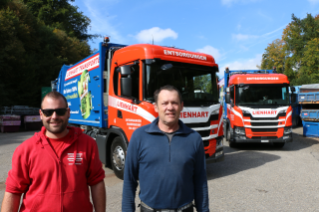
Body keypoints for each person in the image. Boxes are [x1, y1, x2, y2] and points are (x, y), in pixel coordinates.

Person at [1, 91, 106, 212]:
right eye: (48, 112)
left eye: (60, 111)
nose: (54, 116)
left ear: (68, 113)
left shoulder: (88, 144)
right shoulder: (25, 150)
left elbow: (96, 182)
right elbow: (13, 192)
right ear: (41, 114)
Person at [122, 85, 209, 212]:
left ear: (181, 106)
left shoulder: (194, 139)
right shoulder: (139, 137)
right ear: (156, 107)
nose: (170, 107)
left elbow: (200, 182)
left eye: (174, 103)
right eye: (164, 103)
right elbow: (129, 181)